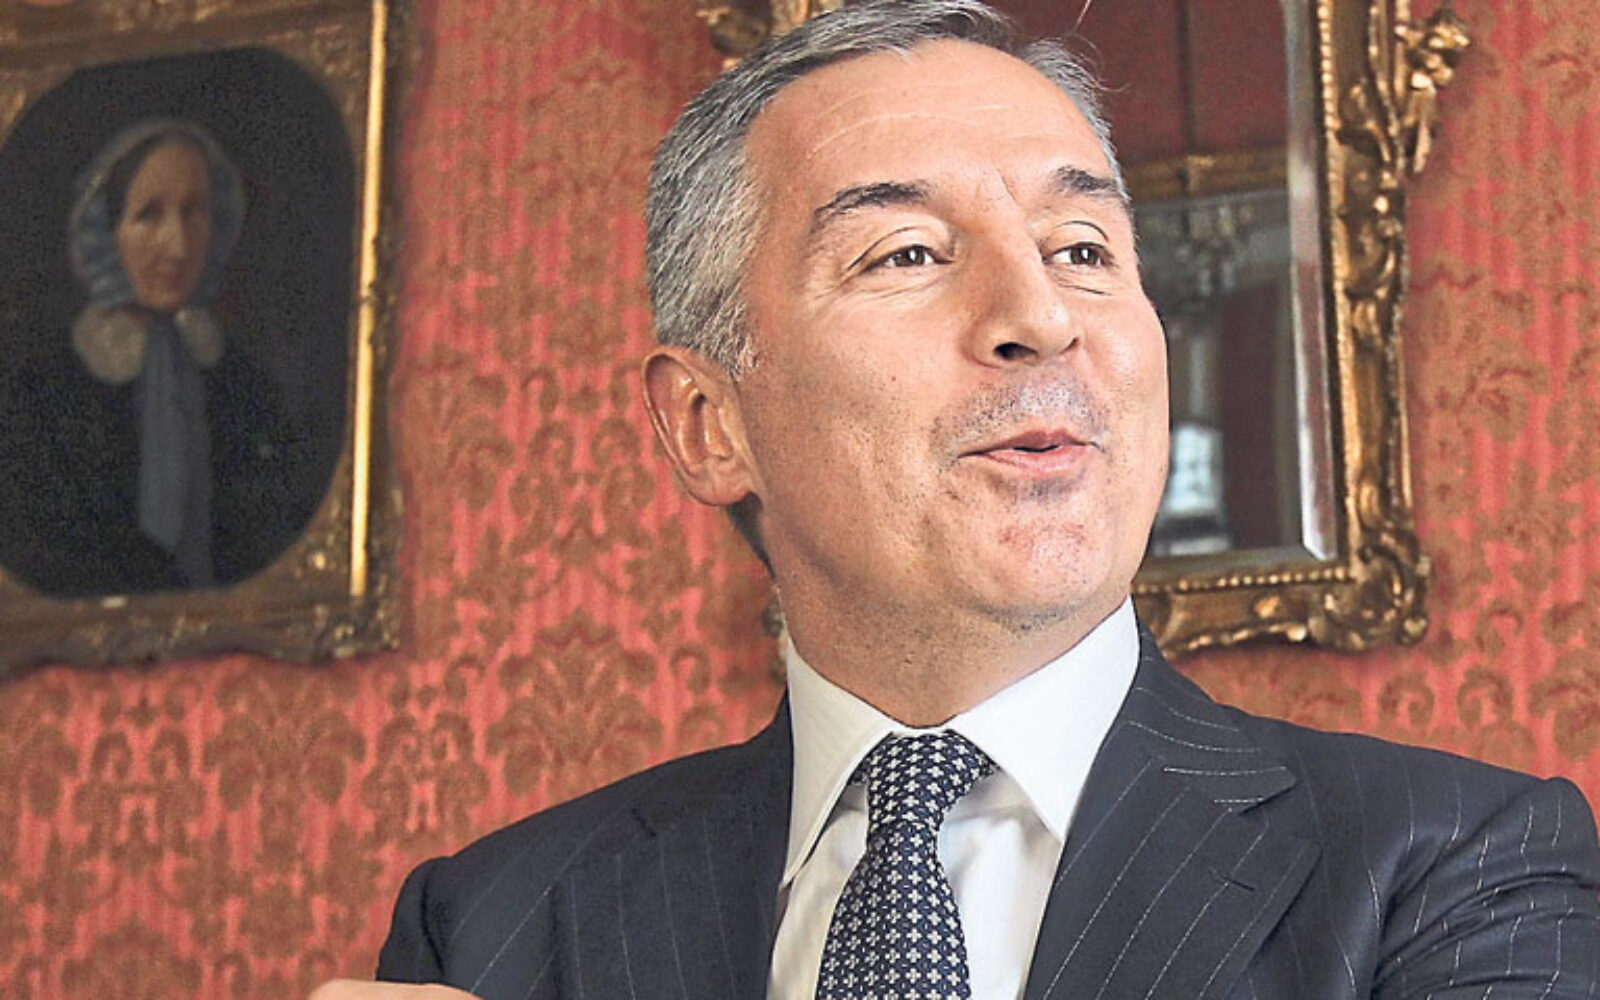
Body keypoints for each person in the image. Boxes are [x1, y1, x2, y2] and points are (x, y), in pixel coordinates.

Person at [317, 2, 1600, 997]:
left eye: (1082, 249)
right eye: (908, 253)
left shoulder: (1459, 868)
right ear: (709, 424)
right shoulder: (492, 924)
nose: (1038, 315)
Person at [0, 119, 312, 595]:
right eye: (149, 215)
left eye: (194, 213)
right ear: (105, 230)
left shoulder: (244, 388)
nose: (178, 246)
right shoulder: (43, 392)